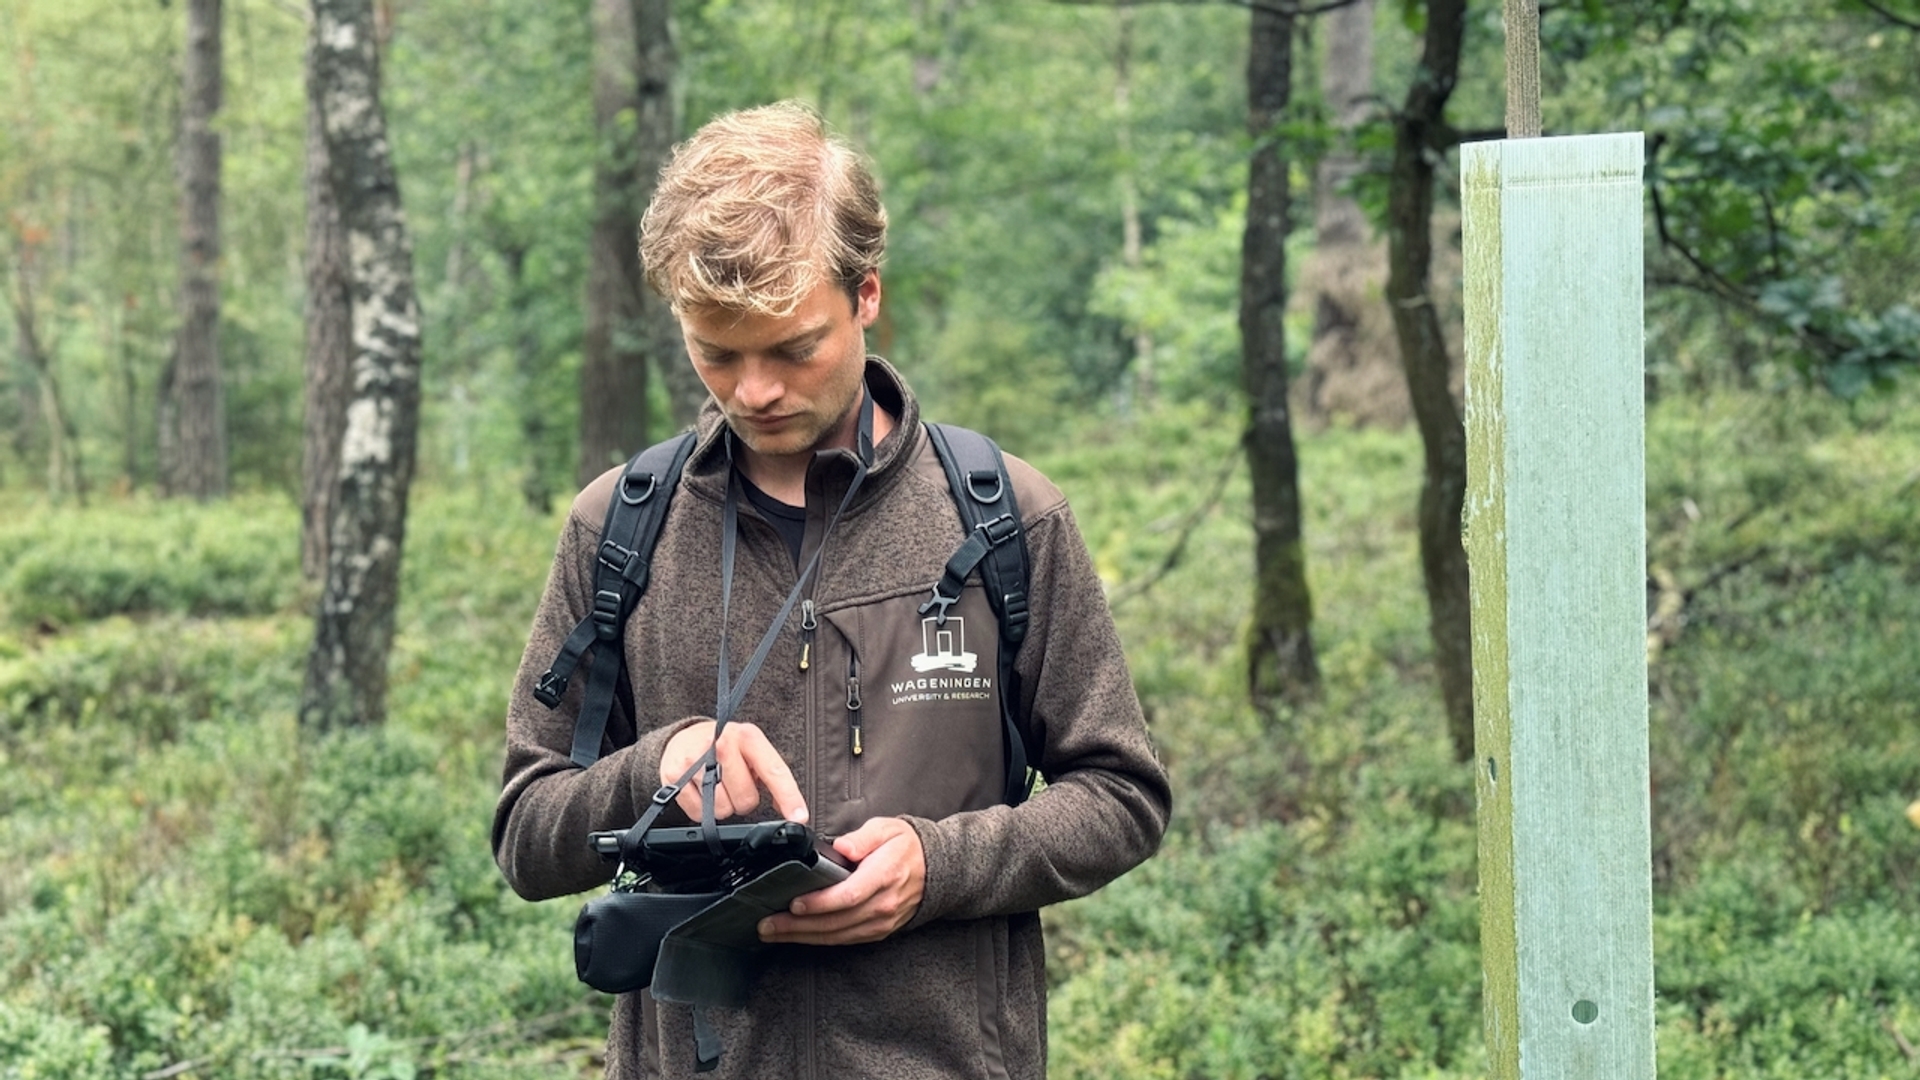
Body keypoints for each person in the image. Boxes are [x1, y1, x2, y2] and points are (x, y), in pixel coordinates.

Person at [493, 101, 1170, 1080]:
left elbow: (1122, 797)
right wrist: (660, 772)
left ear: (866, 297)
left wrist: (941, 867)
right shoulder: (620, 531)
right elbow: (525, 834)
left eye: (792, 347)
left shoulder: (1003, 520)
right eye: (716, 353)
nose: (754, 390)